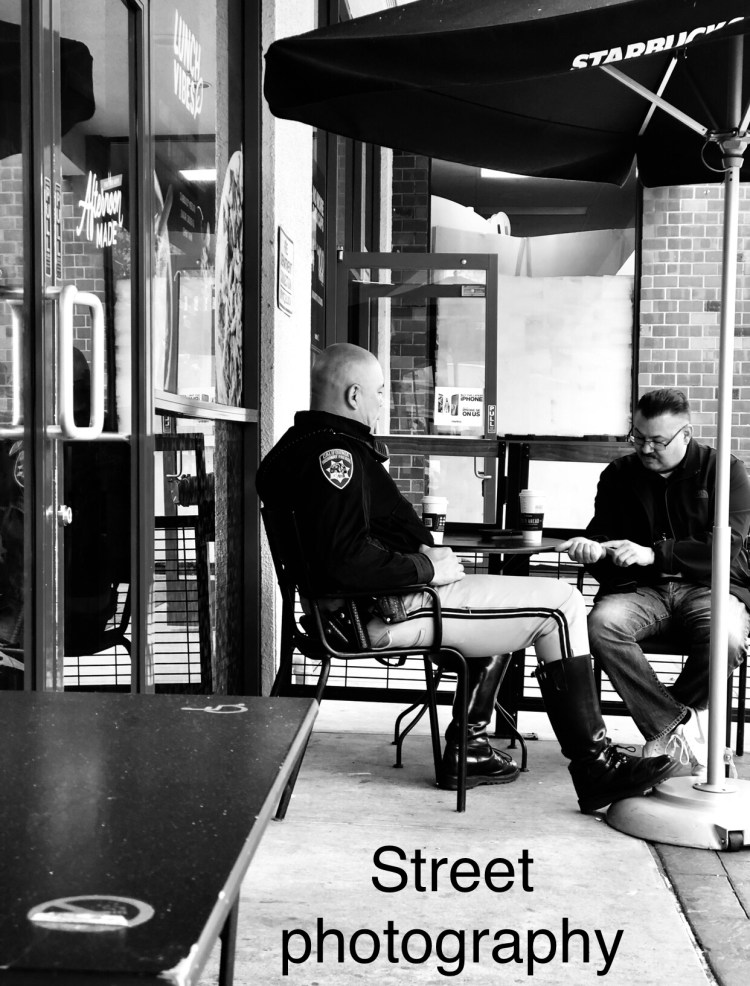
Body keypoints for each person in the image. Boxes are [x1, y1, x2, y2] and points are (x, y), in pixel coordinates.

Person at [256, 343, 677, 813]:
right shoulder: (337, 456)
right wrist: (428, 567)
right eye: (379, 392)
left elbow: (341, 549)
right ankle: (595, 766)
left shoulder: (293, 449)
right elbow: (343, 562)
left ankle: (470, 749)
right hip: (382, 613)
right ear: (354, 395)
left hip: (363, 610)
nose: (382, 402)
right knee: (562, 605)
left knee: (508, 606)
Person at [560, 388, 750, 775]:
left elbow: (727, 545)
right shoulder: (618, 474)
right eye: (638, 437)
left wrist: (654, 553)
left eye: (657, 441)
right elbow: (603, 534)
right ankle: (681, 730)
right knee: (600, 626)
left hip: (709, 587)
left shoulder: (726, 471)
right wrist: (592, 548)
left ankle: (667, 730)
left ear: (686, 434)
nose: (645, 448)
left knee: (728, 637)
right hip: (641, 590)